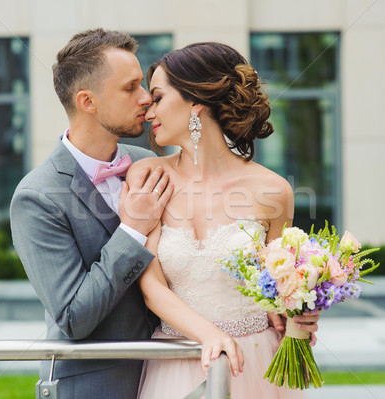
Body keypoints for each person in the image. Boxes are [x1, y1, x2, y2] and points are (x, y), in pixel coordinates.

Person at [130, 42, 320, 398]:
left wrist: (300, 313)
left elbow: (281, 285)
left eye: (157, 98)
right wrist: (207, 334)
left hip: (255, 360)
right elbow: (150, 285)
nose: (148, 110)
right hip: (178, 359)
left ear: (196, 103)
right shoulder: (147, 176)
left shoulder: (274, 190)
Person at [9, 28, 173, 399]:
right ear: (88, 101)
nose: (146, 98)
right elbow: (74, 317)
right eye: (130, 87)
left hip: (173, 375)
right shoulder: (36, 197)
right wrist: (132, 230)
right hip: (95, 386)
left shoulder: (151, 164)